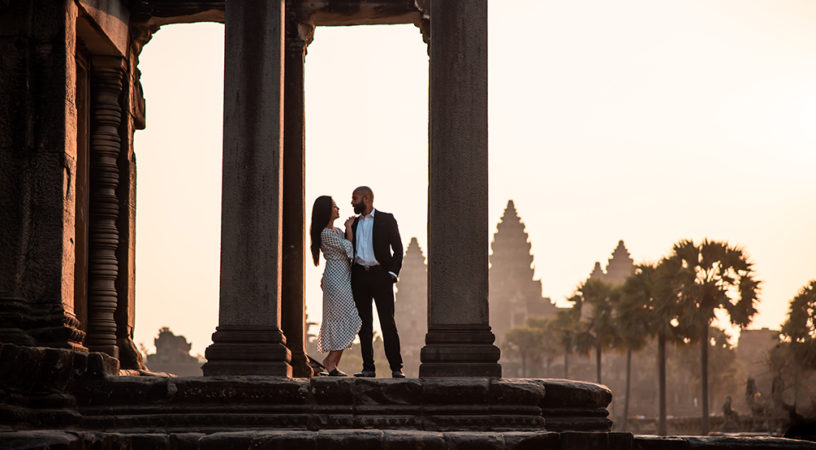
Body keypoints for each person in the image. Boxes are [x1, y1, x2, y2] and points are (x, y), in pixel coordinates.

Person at [347, 186, 405, 378]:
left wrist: (392, 274)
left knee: (387, 322)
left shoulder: (386, 219)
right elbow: (348, 251)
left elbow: (398, 250)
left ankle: (396, 368)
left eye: (354, 198)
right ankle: (368, 368)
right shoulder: (353, 224)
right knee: (364, 324)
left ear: (366, 198)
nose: (352, 202)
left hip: (381, 276)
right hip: (360, 277)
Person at [310, 195, 361, 376]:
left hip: (343, 277)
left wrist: (346, 230)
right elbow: (349, 249)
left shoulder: (336, 231)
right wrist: (349, 228)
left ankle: (333, 365)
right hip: (336, 280)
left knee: (347, 319)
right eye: (334, 206)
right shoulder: (326, 233)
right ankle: (330, 362)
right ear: (326, 211)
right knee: (349, 317)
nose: (338, 208)